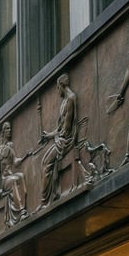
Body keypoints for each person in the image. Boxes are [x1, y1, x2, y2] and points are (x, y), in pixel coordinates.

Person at [37, 74, 78, 209]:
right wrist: (49, 135)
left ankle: (44, 202)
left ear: (61, 85)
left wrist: (55, 137)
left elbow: (66, 130)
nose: (57, 90)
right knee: (43, 161)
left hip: (66, 140)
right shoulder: (64, 101)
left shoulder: (71, 99)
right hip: (61, 137)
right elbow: (60, 128)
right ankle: (49, 197)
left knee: (46, 163)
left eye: (57, 88)